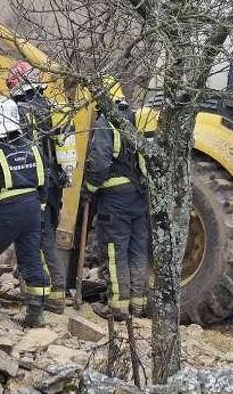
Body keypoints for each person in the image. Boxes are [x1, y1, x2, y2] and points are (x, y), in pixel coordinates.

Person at [0, 97, 51, 327]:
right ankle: (36, 313)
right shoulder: (33, 147)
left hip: (5, 212)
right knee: (31, 259)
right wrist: (38, 210)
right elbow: (44, 182)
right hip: (33, 209)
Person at [5, 61, 76, 314]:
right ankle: (45, 291)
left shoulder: (17, 111)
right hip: (55, 184)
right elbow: (66, 151)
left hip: (33, 184)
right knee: (45, 234)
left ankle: (48, 296)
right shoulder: (55, 110)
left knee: (38, 237)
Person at [83, 76, 150, 320]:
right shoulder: (134, 118)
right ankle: (138, 304)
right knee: (137, 251)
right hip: (138, 197)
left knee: (114, 252)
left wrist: (88, 189)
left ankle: (117, 307)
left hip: (115, 200)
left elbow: (100, 164)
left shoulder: (106, 121)